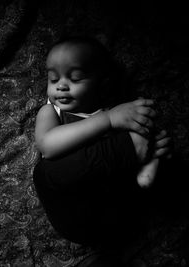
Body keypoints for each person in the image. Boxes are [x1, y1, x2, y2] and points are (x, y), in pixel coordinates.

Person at [33, 36, 171, 266]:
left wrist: (154, 144)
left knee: (149, 145)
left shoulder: (117, 113)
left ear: (102, 83)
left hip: (117, 209)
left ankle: (146, 169)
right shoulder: (51, 113)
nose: (61, 85)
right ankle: (133, 150)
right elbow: (47, 146)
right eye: (53, 78)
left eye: (75, 77)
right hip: (74, 213)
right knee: (44, 173)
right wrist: (108, 120)